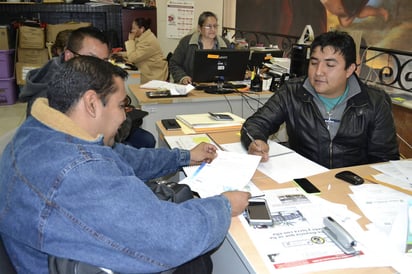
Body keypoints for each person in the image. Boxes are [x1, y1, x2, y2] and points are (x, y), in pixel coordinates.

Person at [0, 55, 251, 273]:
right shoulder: (77, 172)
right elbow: (171, 238)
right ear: (91, 103)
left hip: (52, 256)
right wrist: (224, 205)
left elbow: (124, 157)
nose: (124, 116)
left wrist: (184, 157)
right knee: (196, 262)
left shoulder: (43, 131)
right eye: (122, 106)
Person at [241, 30, 399, 169]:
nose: (318, 72)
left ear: (350, 69)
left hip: (354, 187)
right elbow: (255, 124)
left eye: (330, 65)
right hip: (304, 179)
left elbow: (385, 160)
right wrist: (256, 141)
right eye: (314, 63)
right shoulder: (293, 91)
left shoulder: (374, 102)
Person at [19, 26, 156, 149]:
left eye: (105, 62)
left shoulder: (82, 73)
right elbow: (78, 145)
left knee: (147, 139)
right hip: (83, 148)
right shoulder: (48, 94)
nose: (101, 69)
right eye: (93, 60)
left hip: (101, 133)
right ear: (69, 56)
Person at [169, 11, 231, 84]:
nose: (213, 29)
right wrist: (183, 77)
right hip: (192, 87)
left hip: (217, 87)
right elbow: (174, 63)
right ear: (199, 28)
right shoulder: (186, 42)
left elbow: (232, 66)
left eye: (215, 26)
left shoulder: (225, 44)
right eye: (208, 26)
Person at [124, 17, 168, 84]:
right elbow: (135, 52)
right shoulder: (143, 37)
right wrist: (119, 54)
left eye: (134, 28)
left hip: (154, 76)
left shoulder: (148, 42)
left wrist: (130, 41)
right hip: (148, 71)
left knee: (128, 81)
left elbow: (132, 58)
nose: (131, 31)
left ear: (141, 29)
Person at [320, 0, 389, 27]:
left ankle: (382, 11)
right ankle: (382, 11)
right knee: (357, 14)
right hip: (349, 9)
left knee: (358, 13)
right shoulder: (352, 13)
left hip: (348, 6)